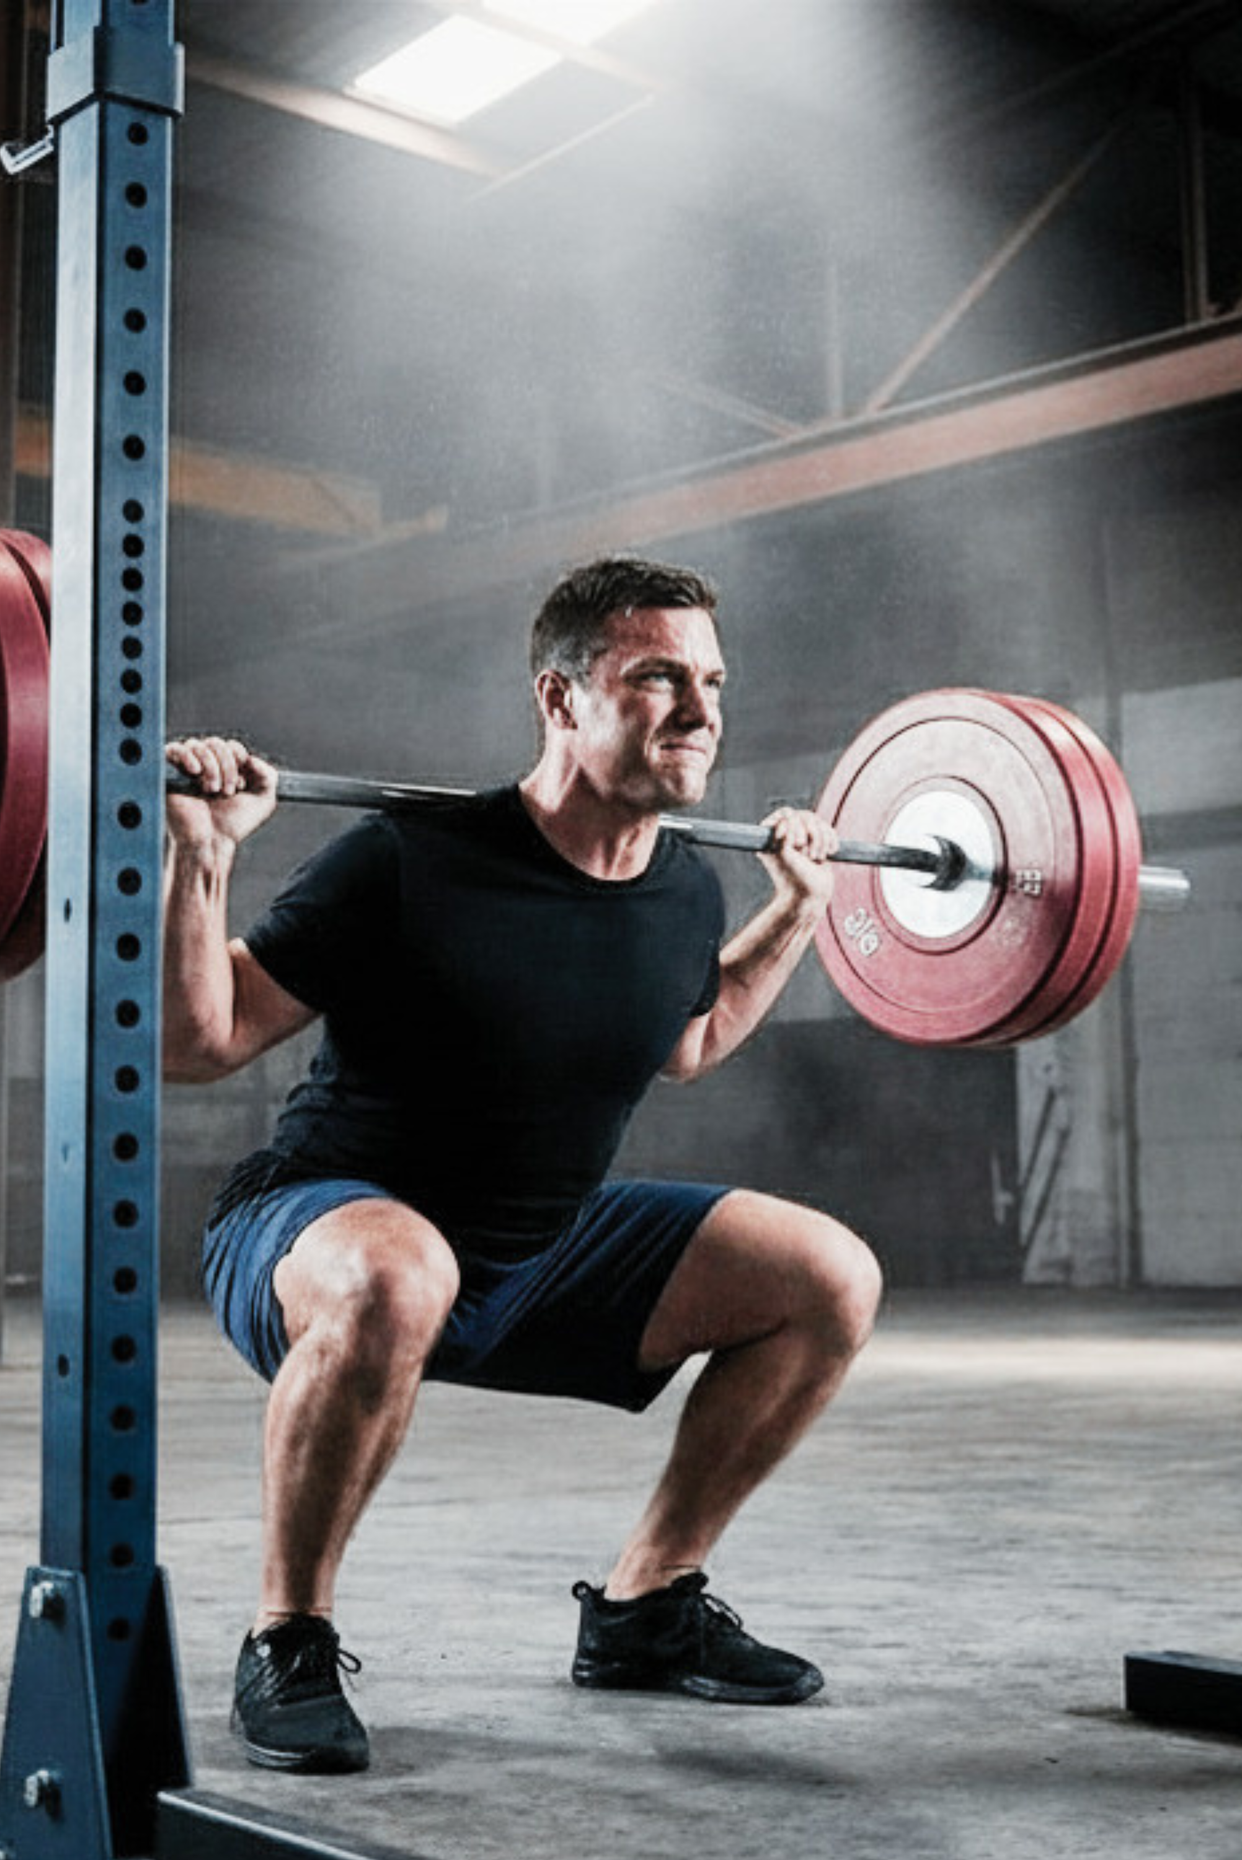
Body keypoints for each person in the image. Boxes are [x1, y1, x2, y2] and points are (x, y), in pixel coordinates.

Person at [160, 553, 882, 1775]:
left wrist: (798, 911)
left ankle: (648, 1609)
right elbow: (199, 1042)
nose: (701, 714)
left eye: (711, 681)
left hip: (534, 1251)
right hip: (316, 1233)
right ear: (558, 698)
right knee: (403, 1271)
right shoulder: (407, 859)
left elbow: (690, 1041)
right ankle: (286, 1634)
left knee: (828, 1275)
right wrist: (205, 852)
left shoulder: (683, 891)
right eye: (658, 679)